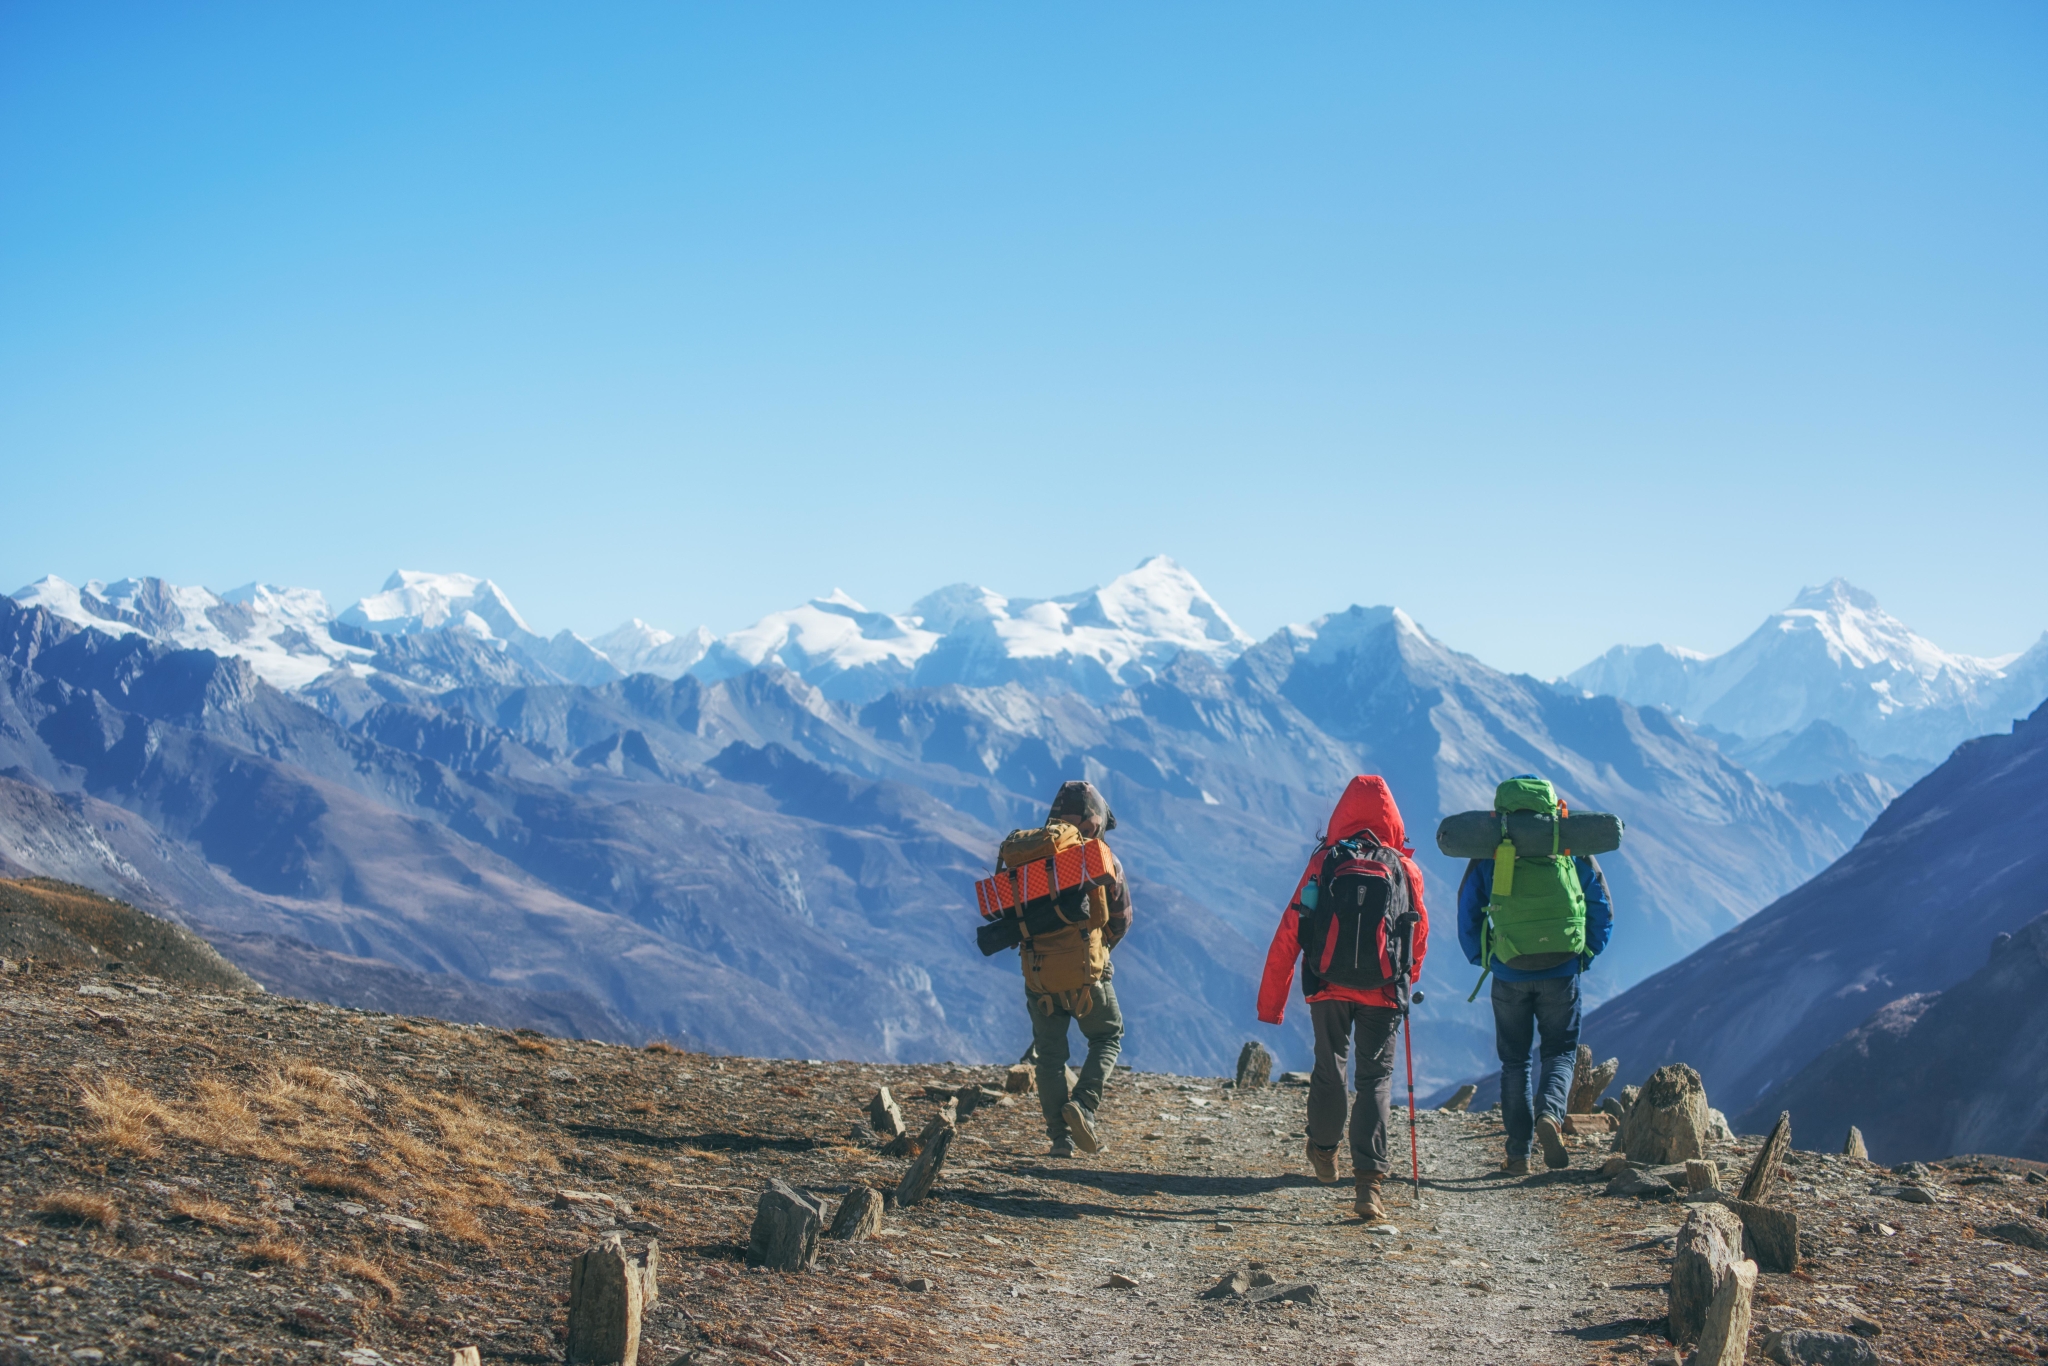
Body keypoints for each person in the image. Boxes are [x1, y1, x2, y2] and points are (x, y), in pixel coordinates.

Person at [1257, 775, 1428, 1223]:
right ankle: (1369, 1186)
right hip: (1384, 989)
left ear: (1342, 814)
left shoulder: (1325, 861)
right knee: (1375, 1079)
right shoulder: (1404, 869)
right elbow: (1418, 935)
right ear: (1392, 818)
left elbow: (1291, 928)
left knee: (1329, 1066)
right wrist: (1406, 982)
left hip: (1327, 983)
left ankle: (1324, 1148)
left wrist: (1271, 1002)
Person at [1456, 775, 1614, 1177]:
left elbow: (1468, 909)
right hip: (1561, 969)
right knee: (1559, 1051)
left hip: (1509, 968)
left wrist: (1483, 957)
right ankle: (1551, 1115)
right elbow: (1600, 904)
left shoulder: (1491, 848)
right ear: (1550, 806)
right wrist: (1587, 953)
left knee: (1515, 1062)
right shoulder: (1567, 844)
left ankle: (1518, 1154)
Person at [1014, 780, 1132, 1158]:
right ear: (1094, 818)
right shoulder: (1101, 856)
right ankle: (1083, 1105)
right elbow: (1122, 918)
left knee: (1049, 1057)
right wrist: (1098, 945)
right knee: (1108, 1036)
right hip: (1086, 973)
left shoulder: (1030, 857)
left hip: (1038, 973)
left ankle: (1059, 1138)